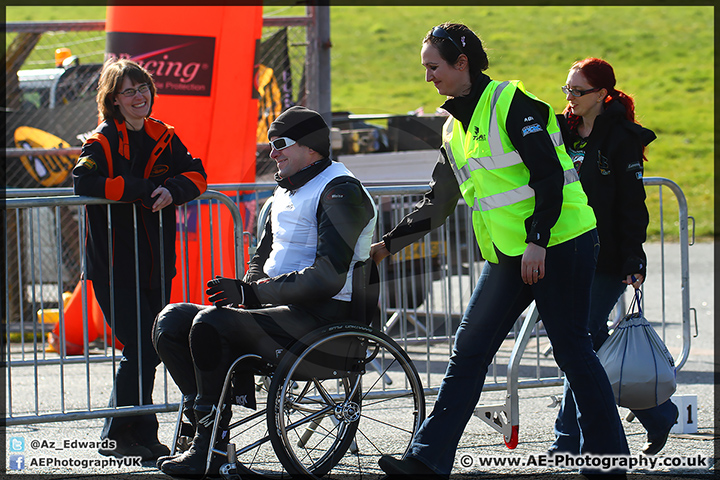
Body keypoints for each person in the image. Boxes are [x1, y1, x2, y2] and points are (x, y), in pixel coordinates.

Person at [374, 23, 629, 478]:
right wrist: (388, 246)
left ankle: (608, 461)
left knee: (572, 350)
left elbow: (549, 178)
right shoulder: (453, 128)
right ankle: (427, 461)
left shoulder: (517, 105)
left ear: (462, 63)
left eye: (433, 67)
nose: (428, 77)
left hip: (561, 242)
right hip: (511, 255)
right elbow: (439, 202)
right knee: (468, 349)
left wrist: (538, 241)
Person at [152, 106, 378, 478]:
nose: (271, 153)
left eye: (279, 145)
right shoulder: (285, 190)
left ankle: (207, 446)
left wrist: (252, 296)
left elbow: (328, 277)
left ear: (310, 148)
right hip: (282, 311)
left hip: (327, 319)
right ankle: (212, 436)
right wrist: (248, 289)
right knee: (171, 320)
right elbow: (261, 256)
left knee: (213, 323)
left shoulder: (340, 189)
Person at [72, 58, 208, 460]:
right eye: (129, 91)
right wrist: (143, 189)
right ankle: (123, 432)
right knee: (142, 346)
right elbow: (84, 181)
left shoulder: (165, 135)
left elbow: (198, 174)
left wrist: (174, 191)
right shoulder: (100, 141)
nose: (139, 97)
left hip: (156, 264)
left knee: (152, 344)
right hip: (113, 266)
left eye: (143, 88)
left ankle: (138, 432)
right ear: (113, 100)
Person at [551, 57, 678, 456]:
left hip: (606, 257)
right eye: (567, 88)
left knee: (580, 338)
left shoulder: (621, 138)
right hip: (568, 251)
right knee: (584, 342)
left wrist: (633, 258)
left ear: (602, 94)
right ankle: (657, 415)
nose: (570, 97)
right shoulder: (561, 132)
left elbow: (631, 206)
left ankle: (568, 438)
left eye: (578, 90)